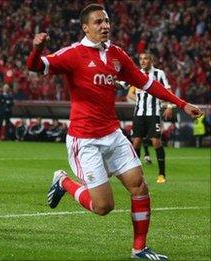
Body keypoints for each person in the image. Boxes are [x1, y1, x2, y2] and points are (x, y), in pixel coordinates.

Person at [26, 4, 203, 260]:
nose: (105, 26)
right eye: (98, 22)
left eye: (106, 21)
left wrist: (181, 103)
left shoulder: (117, 55)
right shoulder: (73, 54)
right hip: (85, 140)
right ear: (86, 27)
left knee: (139, 186)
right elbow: (35, 66)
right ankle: (63, 181)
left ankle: (139, 249)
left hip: (113, 135)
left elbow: (148, 83)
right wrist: (37, 49)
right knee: (103, 207)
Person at [128, 52, 173, 183]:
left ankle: (161, 174)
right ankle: (136, 175)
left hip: (154, 113)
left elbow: (168, 90)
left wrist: (170, 105)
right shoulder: (136, 73)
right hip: (139, 114)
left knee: (156, 142)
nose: (142, 61)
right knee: (136, 142)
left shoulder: (159, 74)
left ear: (151, 60)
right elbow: (124, 84)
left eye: (145, 58)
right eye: (141, 59)